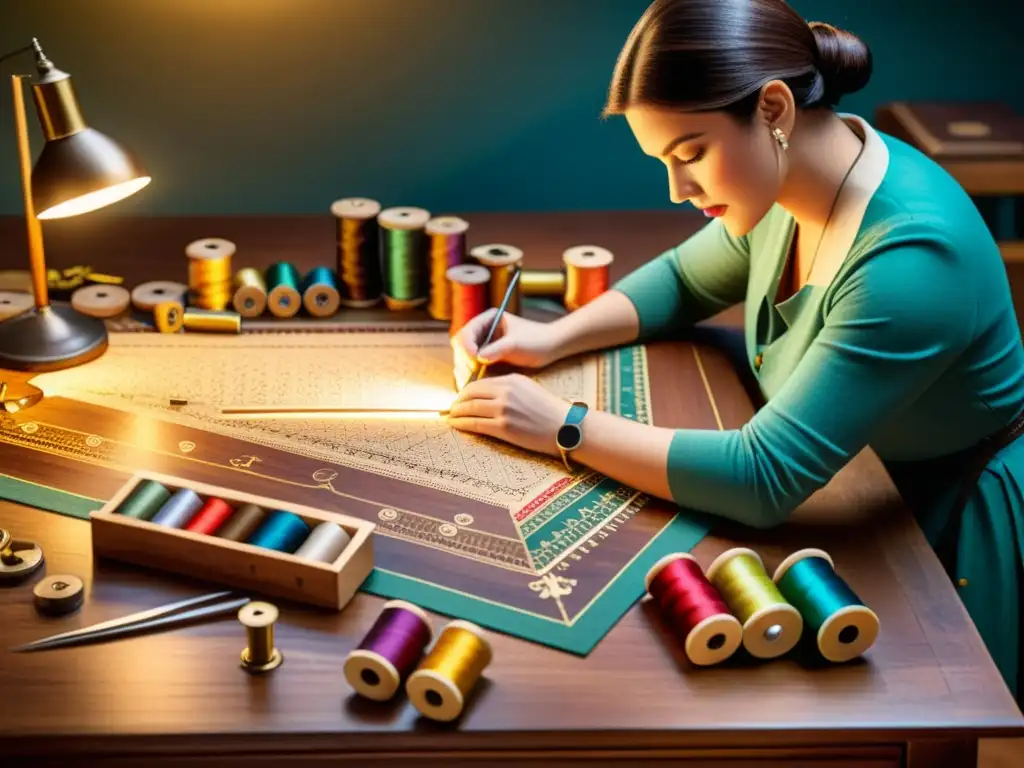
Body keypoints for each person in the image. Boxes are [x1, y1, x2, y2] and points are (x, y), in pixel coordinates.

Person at [446, 0, 1024, 704]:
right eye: (664, 161)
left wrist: (561, 426)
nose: (677, 189)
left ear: (774, 109)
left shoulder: (912, 260)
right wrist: (548, 336)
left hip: (941, 515)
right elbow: (684, 279)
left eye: (690, 154)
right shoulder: (793, 183)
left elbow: (762, 481)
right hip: (860, 477)